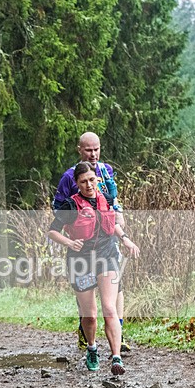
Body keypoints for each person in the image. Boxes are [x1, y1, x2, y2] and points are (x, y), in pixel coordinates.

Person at [48, 161, 140, 375]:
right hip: (80, 260)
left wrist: (125, 239)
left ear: (97, 179)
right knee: (90, 315)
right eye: (83, 182)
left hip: (106, 255)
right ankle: (92, 348)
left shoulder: (106, 199)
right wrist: (69, 243)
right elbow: (52, 231)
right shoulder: (70, 206)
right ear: (77, 184)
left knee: (110, 308)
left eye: (92, 180)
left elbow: (112, 222)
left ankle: (116, 358)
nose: (89, 185)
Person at [53, 132, 130, 353]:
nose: (93, 154)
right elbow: (58, 209)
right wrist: (72, 230)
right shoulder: (69, 177)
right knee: (87, 297)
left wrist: (119, 216)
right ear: (79, 150)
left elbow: (113, 198)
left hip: (107, 239)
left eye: (96, 149)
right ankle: (86, 328)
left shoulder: (106, 171)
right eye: (88, 150)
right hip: (82, 244)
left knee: (117, 286)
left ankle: (118, 334)